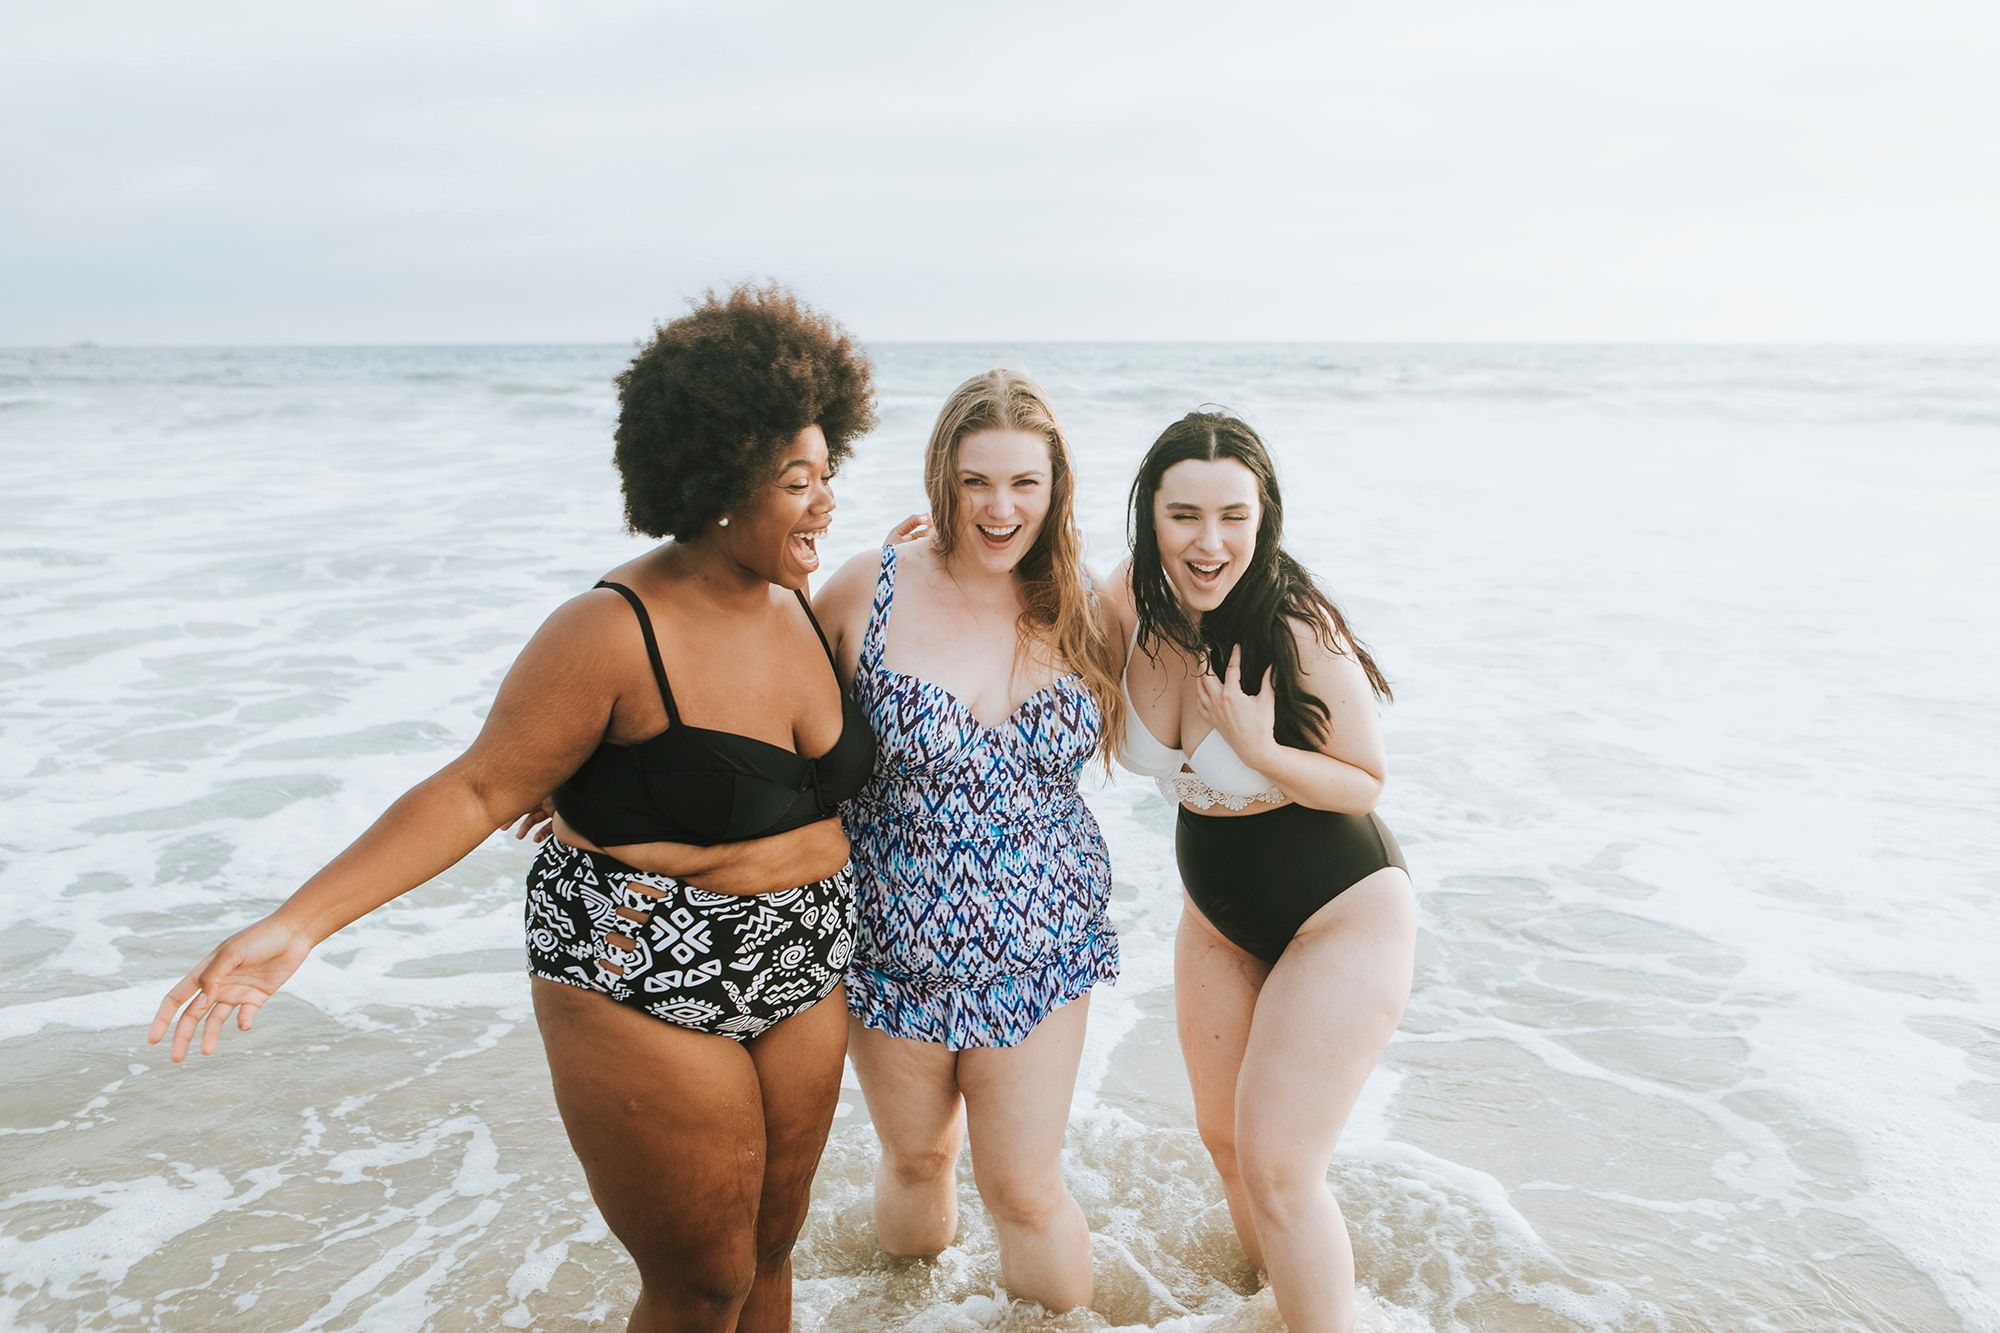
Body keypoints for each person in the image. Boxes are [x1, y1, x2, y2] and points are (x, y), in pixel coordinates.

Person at [146, 283, 879, 1333]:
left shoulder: (805, 601)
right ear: (718, 483)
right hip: (640, 965)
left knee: (769, 1255)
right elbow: (479, 785)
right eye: (796, 482)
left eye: (828, 473)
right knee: (700, 1281)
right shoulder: (609, 629)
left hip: (805, 956)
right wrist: (293, 924)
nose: (824, 503)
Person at [811, 369, 1124, 1312]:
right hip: (891, 944)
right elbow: (749, 704)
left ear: (1055, 487)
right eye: (975, 481)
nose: (999, 508)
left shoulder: (1088, 607)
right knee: (916, 1158)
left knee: (1023, 1189)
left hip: (1042, 947)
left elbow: (1188, 712)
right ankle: (904, 1309)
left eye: (1024, 483)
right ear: (941, 476)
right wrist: (586, 766)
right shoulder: (868, 589)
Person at [1104, 410, 1415, 1333]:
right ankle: (1273, 1313)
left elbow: (1364, 780)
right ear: (1149, 514)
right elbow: (1015, 616)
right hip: (1217, 915)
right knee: (1229, 1144)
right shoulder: (1126, 602)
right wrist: (912, 561)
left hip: (1340, 911)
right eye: (1186, 514)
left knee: (1282, 1165)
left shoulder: (1292, 622)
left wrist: (1256, 744)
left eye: (1234, 515)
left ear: (1264, 515)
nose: (1211, 541)